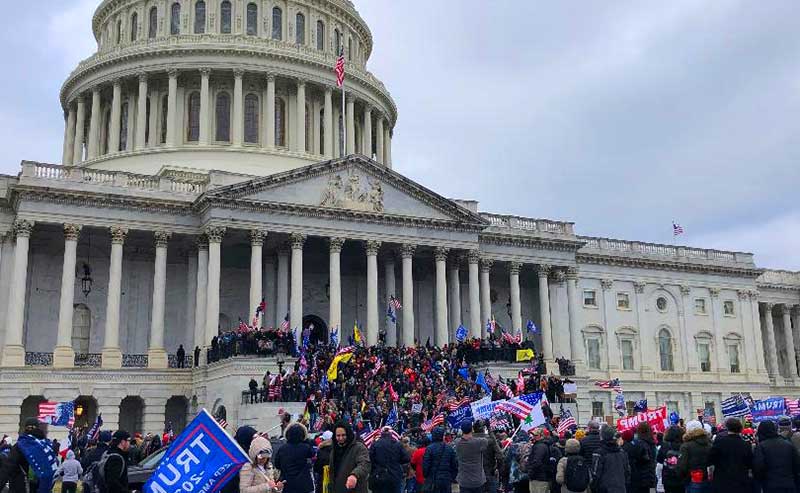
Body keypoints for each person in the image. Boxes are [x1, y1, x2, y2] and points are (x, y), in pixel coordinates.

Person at [0, 417, 47, 492]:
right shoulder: (45, 446)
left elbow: (7, 468)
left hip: (20, 486)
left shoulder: (20, 446)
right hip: (41, 487)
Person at [753, 420, 800, 493]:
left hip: (770, 485)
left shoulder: (762, 447)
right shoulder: (788, 444)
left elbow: (759, 467)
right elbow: (796, 464)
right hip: (789, 484)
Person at [707, 417, 752, 493]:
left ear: (727, 428)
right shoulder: (746, 445)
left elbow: (710, 460)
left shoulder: (720, 442)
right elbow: (750, 464)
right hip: (741, 481)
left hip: (722, 481)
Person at [328, 422, 370, 493]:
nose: (341, 438)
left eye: (343, 435)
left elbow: (364, 463)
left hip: (355, 490)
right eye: (338, 436)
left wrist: (354, 475)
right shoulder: (334, 449)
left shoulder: (359, 447)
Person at [274, 423, 314, 493]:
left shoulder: (282, 448)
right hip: (304, 484)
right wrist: (306, 440)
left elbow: (277, 464)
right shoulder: (305, 447)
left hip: (288, 484)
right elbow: (312, 453)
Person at [370, 426, 410, 493]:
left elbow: (371, 459)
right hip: (394, 475)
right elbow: (406, 458)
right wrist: (397, 461)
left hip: (379, 476)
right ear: (391, 434)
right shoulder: (398, 445)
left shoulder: (375, 444)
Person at [589, 425, 629, 493]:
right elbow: (627, 472)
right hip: (620, 488)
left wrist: (593, 487)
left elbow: (595, 473)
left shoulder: (599, 453)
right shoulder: (622, 452)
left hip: (604, 489)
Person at [676, 420, 712, 493]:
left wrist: (682, 477)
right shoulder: (709, 443)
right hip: (708, 479)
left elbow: (682, 466)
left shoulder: (686, 446)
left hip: (692, 480)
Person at [454, 421, 488, 493]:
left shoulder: (457, 442)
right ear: (472, 429)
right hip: (478, 481)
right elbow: (486, 440)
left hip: (464, 481)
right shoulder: (479, 442)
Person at [422, 427, 458, 493]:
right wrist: (451, 478)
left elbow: (425, 466)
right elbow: (455, 466)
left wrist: (427, 477)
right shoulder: (449, 448)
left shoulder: (429, 449)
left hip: (433, 479)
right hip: (445, 480)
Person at [473, 420, 503, 493]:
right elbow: (500, 456)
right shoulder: (490, 441)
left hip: (473, 475)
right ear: (484, 428)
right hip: (489, 473)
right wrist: (498, 469)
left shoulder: (469, 442)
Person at [526, 428, 559, 493]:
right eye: (533, 435)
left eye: (536, 435)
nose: (533, 437)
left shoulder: (540, 446)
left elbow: (537, 462)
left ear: (541, 436)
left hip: (539, 478)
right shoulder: (542, 445)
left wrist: (530, 472)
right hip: (541, 477)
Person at [627, 422, 657, 493]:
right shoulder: (653, 444)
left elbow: (635, 461)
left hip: (640, 480)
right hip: (651, 478)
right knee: (652, 491)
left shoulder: (639, 444)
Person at [656, 425, 684, 493]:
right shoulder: (684, 445)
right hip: (681, 477)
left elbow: (659, 459)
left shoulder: (664, 445)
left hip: (667, 477)